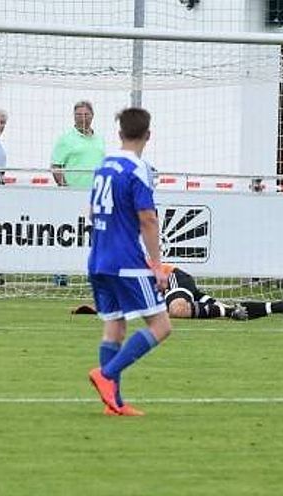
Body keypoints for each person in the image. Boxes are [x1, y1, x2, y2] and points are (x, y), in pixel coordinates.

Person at [86, 107, 170, 417]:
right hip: (126, 261)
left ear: (119, 133)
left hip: (98, 258)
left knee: (114, 328)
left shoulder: (103, 166)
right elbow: (148, 218)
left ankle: (114, 404)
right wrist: (157, 265)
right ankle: (106, 375)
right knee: (161, 326)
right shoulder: (138, 169)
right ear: (148, 135)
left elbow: (92, 213)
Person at [72, 263, 283, 322]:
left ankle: (228, 313)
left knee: (177, 309)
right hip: (171, 287)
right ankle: (279, 306)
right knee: (228, 309)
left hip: (174, 278)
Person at [51, 100, 106, 189]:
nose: (82, 118)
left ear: (92, 116)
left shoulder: (100, 139)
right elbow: (56, 166)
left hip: (96, 191)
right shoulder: (65, 139)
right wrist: (65, 188)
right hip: (74, 192)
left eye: (86, 114)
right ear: (74, 116)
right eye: (79, 115)